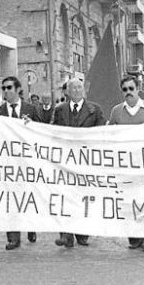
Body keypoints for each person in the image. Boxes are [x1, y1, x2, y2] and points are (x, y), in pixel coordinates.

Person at [52, 78, 106, 247]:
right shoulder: (60, 110)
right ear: (67, 92)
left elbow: (102, 132)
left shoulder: (94, 109)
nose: (76, 90)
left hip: (86, 161)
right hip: (65, 162)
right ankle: (66, 234)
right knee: (65, 196)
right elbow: (52, 131)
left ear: (84, 90)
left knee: (84, 197)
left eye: (79, 87)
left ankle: (82, 233)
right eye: (73, 87)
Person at [109, 76, 144, 250]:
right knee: (129, 201)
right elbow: (108, 135)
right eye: (125, 90)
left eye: (131, 88)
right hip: (125, 165)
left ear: (138, 89)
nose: (128, 93)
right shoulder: (116, 111)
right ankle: (134, 238)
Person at [0, 76, 41, 250]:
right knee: (10, 198)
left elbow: (41, 132)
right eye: (4, 88)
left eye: (9, 88)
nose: (6, 91)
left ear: (18, 89)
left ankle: (30, 226)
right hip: (7, 163)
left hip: (27, 163)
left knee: (28, 197)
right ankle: (13, 237)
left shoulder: (31, 109)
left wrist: (32, 126)